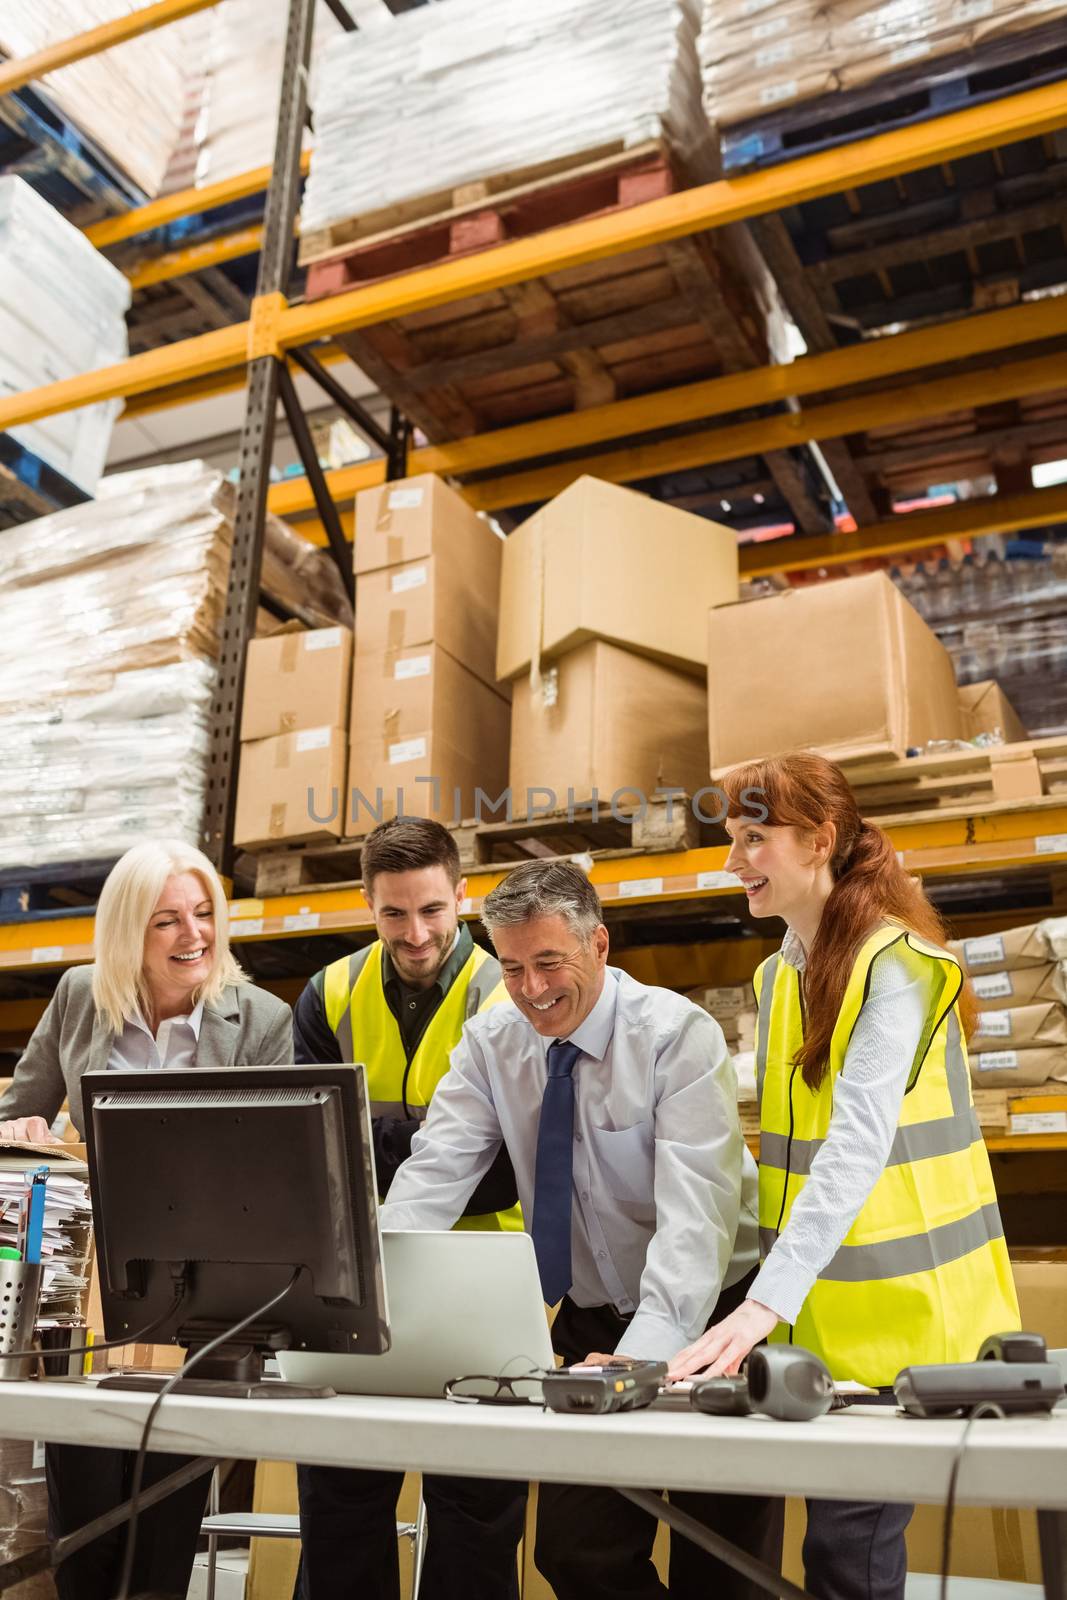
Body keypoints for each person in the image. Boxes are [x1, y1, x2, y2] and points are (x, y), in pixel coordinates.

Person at [668, 754, 1021, 1600]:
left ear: (819, 840)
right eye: (729, 839)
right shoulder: (778, 973)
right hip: (820, 1328)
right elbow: (784, 1162)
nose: (732, 861)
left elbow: (857, 1145)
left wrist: (761, 1304)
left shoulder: (893, 966)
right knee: (827, 1554)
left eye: (753, 839)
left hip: (907, 1327)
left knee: (845, 1557)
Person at [380, 857, 782, 1600]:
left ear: (598, 945)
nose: (532, 990)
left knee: (722, 1568)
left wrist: (640, 1366)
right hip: (587, 1317)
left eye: (548, 962)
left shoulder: (673, 1036)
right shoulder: (491, 1042)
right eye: (510, 968)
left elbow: (698, 1221)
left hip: (712, 1320)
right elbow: (434, 1174)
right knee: (571, 1548)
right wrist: (361, 1291)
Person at [0, 838, 294, 1600]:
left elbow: (277, 1171)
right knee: (84, 1523)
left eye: (203, 915)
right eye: (166, 921)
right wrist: (23, 1135)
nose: (193, 936)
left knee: (162, 1523)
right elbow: (16, 1115)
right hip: (86, 1295)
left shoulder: (261, 1021)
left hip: (199, 1299)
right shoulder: (78, 995)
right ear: (128, 929)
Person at [293, 816, 527, 1600]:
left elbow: (504, 1175)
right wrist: (433, 1139)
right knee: (340, 1503)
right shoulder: (329, 993)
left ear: (463, 895)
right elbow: (310, 1152)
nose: (415, 932)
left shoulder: (508, 990)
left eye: (432, 909)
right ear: (367, 902)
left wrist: (373, 1135)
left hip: (482, 1280)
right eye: (394, 913)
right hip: (362, 1274)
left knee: (476, 1515)